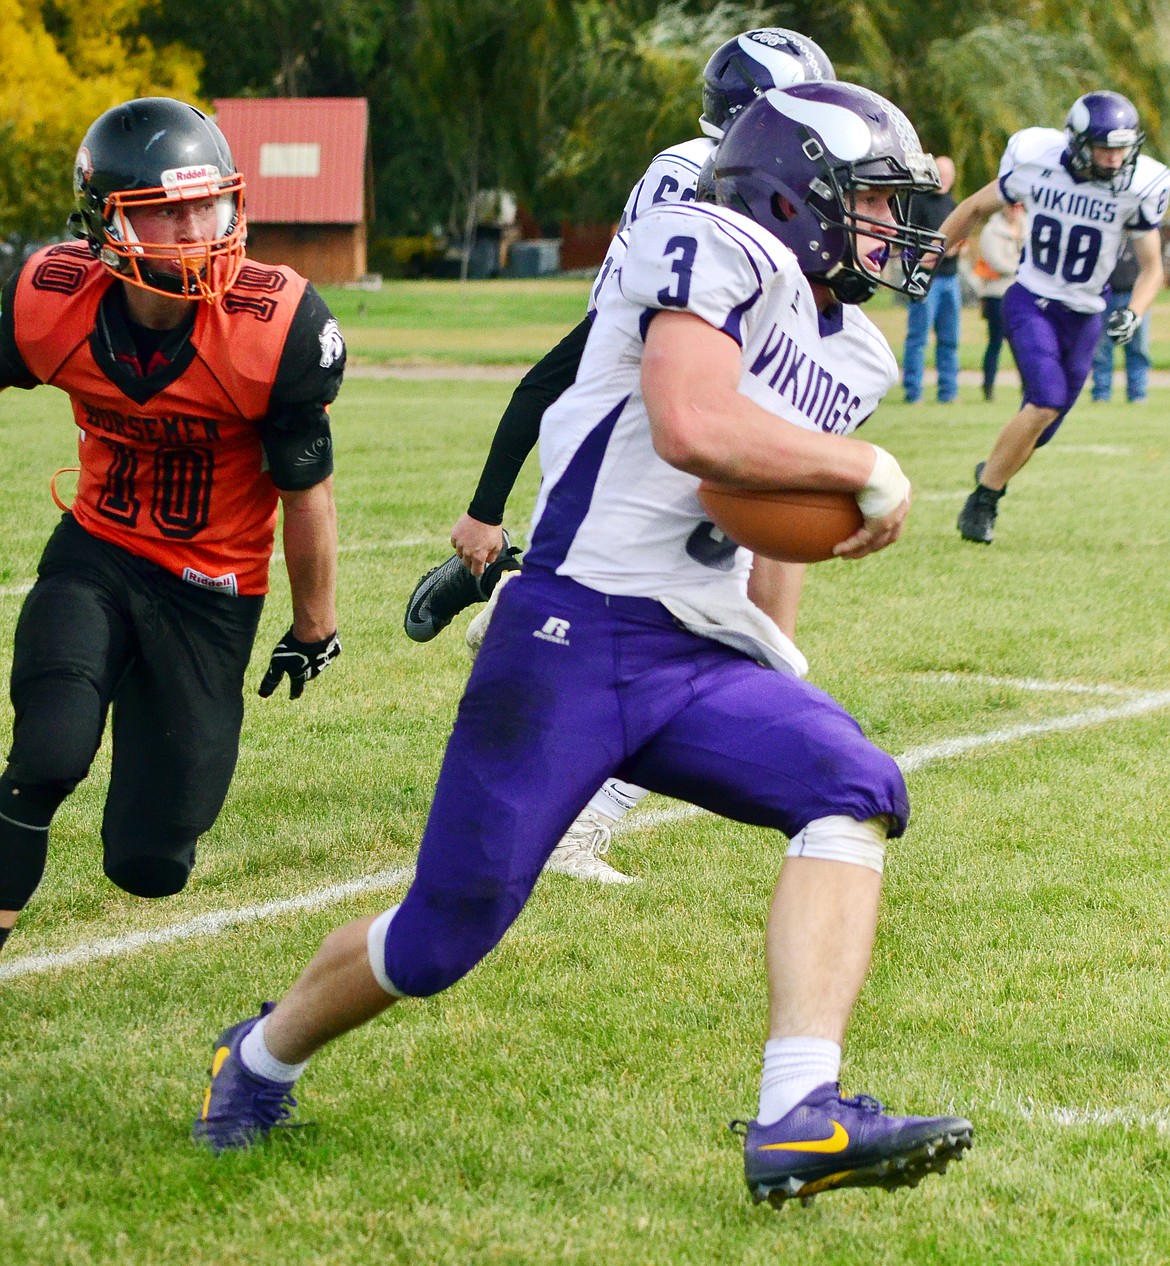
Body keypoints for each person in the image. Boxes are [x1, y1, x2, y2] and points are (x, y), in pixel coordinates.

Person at [193, 82, 974, 1208]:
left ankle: (800, 1111)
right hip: (572, 632)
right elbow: (695, 425)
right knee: (441, 937)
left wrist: (777, 652)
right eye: (870, 202)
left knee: (851, 783)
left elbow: (758, 504)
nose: (891, 229)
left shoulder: (854, 351)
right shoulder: (705, 241)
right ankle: (258, 1057)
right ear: (797, 196)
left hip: (696, 650)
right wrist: (862, 474)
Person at [404, 27, 836, 882]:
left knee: (742, 621)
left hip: (687, 368)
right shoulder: (698, 176)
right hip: (663, 374)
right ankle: (579, 797)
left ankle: (531, 613)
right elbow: (637, 331)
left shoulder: (734, 171)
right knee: (714, 632)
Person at [0, 98, 343, 954]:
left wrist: (315, 626)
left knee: (151, 861)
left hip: (209, 594)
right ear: (106, 225)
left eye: (207, 205)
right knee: (46, 753)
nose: (196, 230)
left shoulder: (277, 325)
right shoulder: (50, 300)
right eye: (165, 211)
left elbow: (305, 490)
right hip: (99, 554)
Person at [943, 91, 1170, 544]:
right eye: (1105, 148)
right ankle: (983, 502)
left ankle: (994, 468)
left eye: (1122, 149)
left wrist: (1134, 311)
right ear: (1078, 143)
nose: (1114, 159)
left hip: (1086, 315)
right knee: (1044, 400)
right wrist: (927, 256)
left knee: (1041, 430)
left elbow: (1152, 269)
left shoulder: (1138, 186)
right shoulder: (1035, 163)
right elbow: (970, 208)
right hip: (1031, 300)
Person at [902, 157, 960, 404]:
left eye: (948, 174)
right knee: (919, 338)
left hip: (951, 279)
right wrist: (938, 250)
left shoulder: (953, 205)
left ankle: (948, 392)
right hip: (927, 280)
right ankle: (913, 392)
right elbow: (907, 242)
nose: (944, 179)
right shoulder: (917, 202)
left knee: (950, 339)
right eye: (941, 173)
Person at [971, 202, 1025, 400]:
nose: (1015, 210)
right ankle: (988, 387)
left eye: (1019, 206)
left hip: (1020, 292)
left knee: (1021, 343)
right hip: (997, 294)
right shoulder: (991, 231)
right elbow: (996, 262)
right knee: (995, 342)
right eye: (1012, 206)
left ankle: (1028, 387)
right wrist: (1021, 268)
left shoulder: (1028, 227)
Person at [1090, 236, 1154, 403]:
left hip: (1135, 296)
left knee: (1138, 348)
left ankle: (1138, 394)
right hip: (1106, 294)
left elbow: (1153, 265)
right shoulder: (1108, 229)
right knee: (1101, 349)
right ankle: (1101, 394)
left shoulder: (1141, 233)